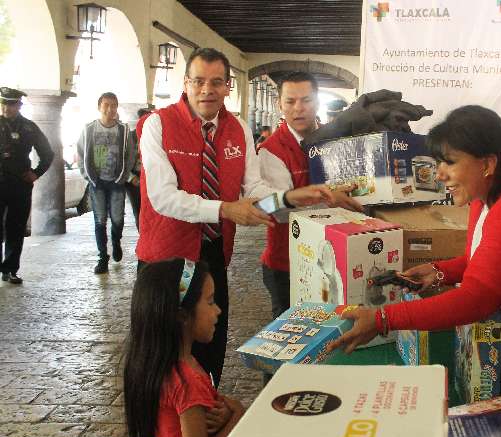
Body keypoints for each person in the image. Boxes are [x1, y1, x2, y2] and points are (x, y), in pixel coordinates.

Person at [137, 48, 338, 386]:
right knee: (163, 352)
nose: (207, 90)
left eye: (216, 82)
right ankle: (167, 432)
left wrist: (289, 197)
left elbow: (254, 187)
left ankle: (206, 409)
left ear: (228, 86)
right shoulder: (157, 124)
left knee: (210, 342)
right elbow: (162, 197)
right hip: (168, 260)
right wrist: (225, 209)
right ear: (186, 83)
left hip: (213, 256)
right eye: (199, 81)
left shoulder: (237, 128)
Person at [330, 105, 501, 378]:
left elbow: (476, 298)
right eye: (438, 163)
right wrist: (439, 271)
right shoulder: (484, 200)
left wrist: (383, 319)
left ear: (487, 164)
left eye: (449, 162)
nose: (439, 174)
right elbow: (484, 262)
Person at [257, 71, 362, 320]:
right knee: (290, 336)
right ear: (279, 104)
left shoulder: (335, 142)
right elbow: (277, 210)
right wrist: (329, 200)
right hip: (289, 264)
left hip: (334, 258)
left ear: (317, 102)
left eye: (306, 100)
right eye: (290, 102)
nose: (298, 109)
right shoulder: (271, 150)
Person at [124, 259, 244, 437]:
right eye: (211, 301)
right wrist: (238, 415)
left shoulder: (155, 365)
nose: (218, 310)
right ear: (183, 316)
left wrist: (225, 406)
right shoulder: (187, 382)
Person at [77, 92, 137, 274]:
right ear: (99, 107)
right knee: (100, 220)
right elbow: (81, 154)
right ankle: (103, 257)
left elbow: (130, 156)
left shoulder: (123, 130)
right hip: (98, 182)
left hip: (117, 181)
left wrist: (125, 176)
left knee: (118, 219)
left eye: (113, 105)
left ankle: (116, 240)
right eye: (106, 105)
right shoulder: (89, 130)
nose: (110, 109)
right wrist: (87, 175)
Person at [0, 87, 54, 284]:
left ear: (19, 105)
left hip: (19, 185)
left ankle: (10, 269)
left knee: (15, 228)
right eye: (4, 103)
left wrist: (36, 173)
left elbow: (47, 153)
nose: (7, 108)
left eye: (11, 104)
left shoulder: (28, 128)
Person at [125, 107, 151, 230]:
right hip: (133, 178)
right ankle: (142, 236)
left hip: (149, 177)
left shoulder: (155, 135)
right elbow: (122, 160)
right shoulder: (130, 136)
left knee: (151, 211)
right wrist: (131, 177)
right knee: (138, 210)